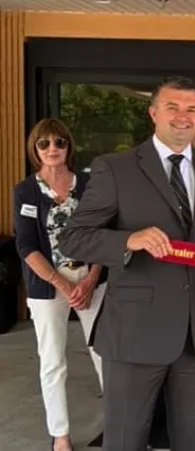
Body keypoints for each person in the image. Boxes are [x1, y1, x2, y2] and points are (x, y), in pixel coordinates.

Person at [57, 76, 195, 451]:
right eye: (172, 107)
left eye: (191, 110)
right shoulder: (115, 168)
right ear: (153, 113)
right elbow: (73, 237)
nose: (183, 117)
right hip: (135, 334)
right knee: (125, 440)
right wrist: (128, 240)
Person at [13, 118, 108, 451]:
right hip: (47, 284)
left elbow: (103, 234)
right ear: (35, 149)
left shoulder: (89, 184)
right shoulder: (25, 190)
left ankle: (116, 424)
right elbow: (26, 246)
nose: (52, 149)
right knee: (52, 359)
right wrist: (64, 286)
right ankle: (61, 434)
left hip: (91, 280)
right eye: (44, 143)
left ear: (69, 146)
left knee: (104, 353)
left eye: (59, 142)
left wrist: (92, 277)